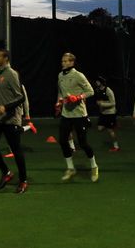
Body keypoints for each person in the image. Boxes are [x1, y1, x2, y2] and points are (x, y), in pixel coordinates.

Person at [0, 48, 28, 194]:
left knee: (16, 150)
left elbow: (21, 97)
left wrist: (6, 107)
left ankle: (23, 181)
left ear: (6, 58)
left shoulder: (11, 74)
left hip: (11, 119)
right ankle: (6, 172)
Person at [56, 52, 98, 181]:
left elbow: (91, 91)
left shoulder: (78, 75)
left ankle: (94, 167)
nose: (63, 63)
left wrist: (78, 97)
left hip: (79, 114)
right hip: (66, 114)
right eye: (62, 61)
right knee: (63, 141)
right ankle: (70, 168)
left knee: (83, 143)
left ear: (72, 62)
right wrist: (58, 102)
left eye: (66, 61)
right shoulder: (60, 76)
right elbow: (60, 92)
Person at [93, 77, 120, 151]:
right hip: (103, 113)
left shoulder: (108, 90)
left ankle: (116, 147)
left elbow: (113, 103)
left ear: (101, 82)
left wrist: (102, 104)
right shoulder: (98, 90)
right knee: (99, 128)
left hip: (110, 113)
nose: (96, 83)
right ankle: (113, 125)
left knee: (110, 130)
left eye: (97, 81)